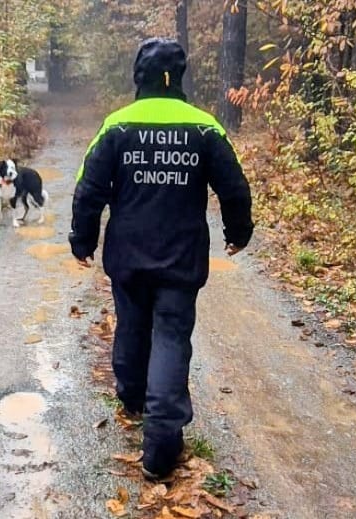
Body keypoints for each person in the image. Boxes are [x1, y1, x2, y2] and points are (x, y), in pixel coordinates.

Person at [69, 37, 254, 480]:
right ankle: (161, 448)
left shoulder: (117, 125)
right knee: (171, 338)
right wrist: (238, 233)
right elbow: (234, 187)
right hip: (181, 257)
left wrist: (83, 239)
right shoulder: (204, 127)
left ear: (139, 77)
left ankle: (133, 396)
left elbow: (88, 188)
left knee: (131, 325)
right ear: (180, 77)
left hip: (128, 254)